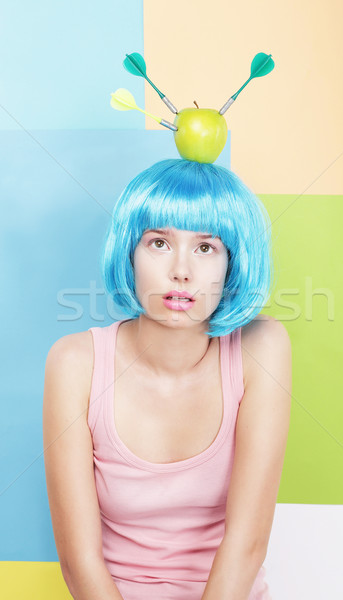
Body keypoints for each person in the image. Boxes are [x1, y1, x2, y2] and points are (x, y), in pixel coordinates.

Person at [43, 158, 292, 600]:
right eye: (159, 243)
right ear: (130, 253)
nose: (181, 271)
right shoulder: (74, 363)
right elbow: (79, 564)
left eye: (205, 248)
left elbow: (248, 542)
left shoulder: (262, 347)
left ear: (231, 263)